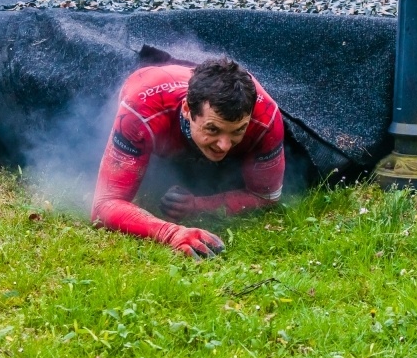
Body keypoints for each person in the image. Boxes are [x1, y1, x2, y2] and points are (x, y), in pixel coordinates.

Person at [91, 57, 285, 258]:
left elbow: (266, 196)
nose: (224, 145)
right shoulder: (142, 108)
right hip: (153, 115)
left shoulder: (266, 117)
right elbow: (104, 205)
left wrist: (197, 205)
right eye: (213, 129)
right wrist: (171, 233)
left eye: (238, 131)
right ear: (186, 110)